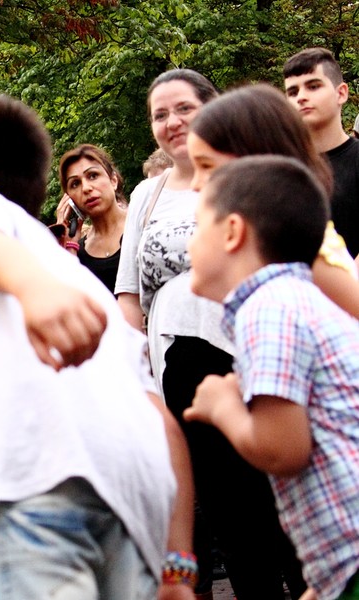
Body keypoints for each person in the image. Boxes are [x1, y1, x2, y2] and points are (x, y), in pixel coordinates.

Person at [0, 92, 199, 599]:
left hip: (33, 493)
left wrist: (34, 290)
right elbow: (164, 424)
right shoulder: (92, 290)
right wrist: (179, 566)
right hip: (137, 509)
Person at [116, 69, 305, 600]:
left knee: (285, 501)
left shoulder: (252, 177)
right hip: (178, 366)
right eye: (160, 114)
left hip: (253, 355)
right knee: (231, 512)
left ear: (212, 108)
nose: (172, 122)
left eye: (183, 108)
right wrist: (139, 377)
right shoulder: (147, 196)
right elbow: (129, 294)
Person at [184, 155, 359, 600]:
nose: (187, 246)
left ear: (232, 232)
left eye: (196, 227)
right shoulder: (297, 298)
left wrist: (222, 407)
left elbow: (284, 449)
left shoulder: (267, 309)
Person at [188, 83, 359, 319]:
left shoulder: (303, 246)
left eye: (206, 166)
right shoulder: (263, 235)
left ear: (255, 159)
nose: (195, 184)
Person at [284, 47, 359, 257]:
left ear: (341, 93)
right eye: (293, 92)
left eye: (313, 86)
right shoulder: (280, 168)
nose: (301, 97)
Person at [56, 144, 128, 292]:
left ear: (113, 180)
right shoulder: (77, 251)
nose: (86, 188)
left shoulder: (143, 225)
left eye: (93, 176)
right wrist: (66, 244)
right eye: (75, 183)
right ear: (69, 199)